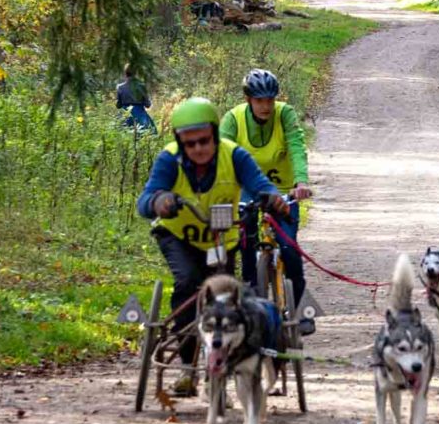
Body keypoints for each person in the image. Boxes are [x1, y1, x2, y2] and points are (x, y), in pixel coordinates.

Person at [137, 97, 289, 396]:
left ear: (214, 134)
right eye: (189, 144)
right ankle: (186, 369)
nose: (198, 149)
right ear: (180, 143)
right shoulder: (169, 160)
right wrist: (159, 201)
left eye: (204, 141)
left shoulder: (234, 156)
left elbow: (259, 183)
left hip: (222, 238)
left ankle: (220, 367)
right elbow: (145, 200)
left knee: (222, 296)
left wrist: (272, 197)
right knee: (189, 284)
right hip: (179, 237)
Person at [220, 68, 315, 336]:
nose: (266, 106)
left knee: (289, 248)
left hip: (283, 192)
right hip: (246, 193)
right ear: (248, 99)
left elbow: (296, 145)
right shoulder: (233, 119)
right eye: (260, 100)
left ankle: (297, 309)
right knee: (245, 247)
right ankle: (251, 304)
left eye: (270, 100)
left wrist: (301, 182)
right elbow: (222, 155)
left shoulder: (284, 114)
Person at [115, 65, 156, 134]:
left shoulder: (120, 87)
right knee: (150, 133)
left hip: (125, 115)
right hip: (140, 116)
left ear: (125, 74)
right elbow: (147, 105)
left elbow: (118, 105)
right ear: (135, 73)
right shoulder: (141, 86)